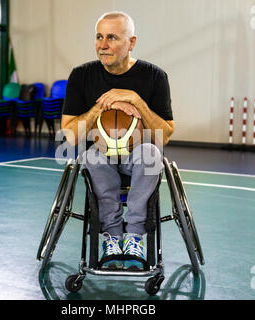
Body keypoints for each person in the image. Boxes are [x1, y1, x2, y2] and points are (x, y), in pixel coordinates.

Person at [61, 11, 174, 270]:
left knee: (151, 153)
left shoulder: (155, 76)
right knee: (89, 155)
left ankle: (134, 237)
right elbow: (69, 135)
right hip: (101, 155)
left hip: (138, 156)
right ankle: (112, 237)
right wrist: (100, 107)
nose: (103, 45)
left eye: (111, 37)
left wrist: (137, 101)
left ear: (131, 43)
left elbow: (164, 134)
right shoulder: (81, 76)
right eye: (99, 37)